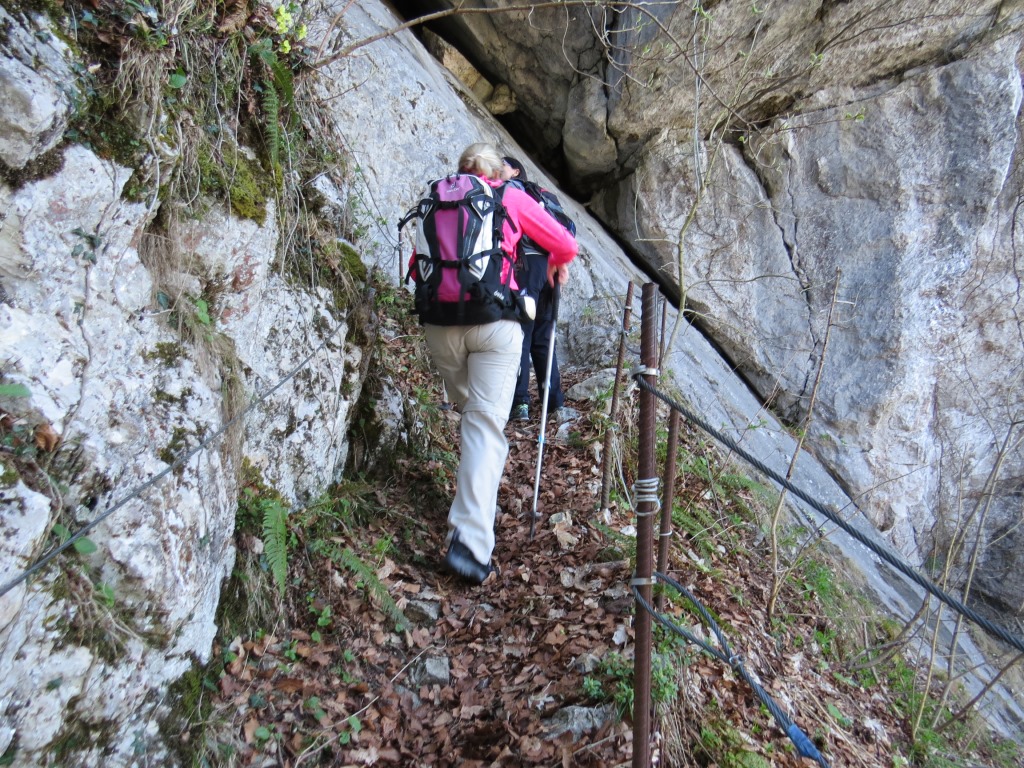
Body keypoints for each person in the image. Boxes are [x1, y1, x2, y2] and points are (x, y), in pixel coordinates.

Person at [414, 143, 578, 584]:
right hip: (493, 326)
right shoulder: (508, 195)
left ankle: (472, 504)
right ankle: (469, 543)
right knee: (485, 428)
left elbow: (418, 266)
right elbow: (564, 242)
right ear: (496, 172)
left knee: (474, 421)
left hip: (439, 328)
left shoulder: (439, 200)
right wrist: (557, 265)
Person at [501, 156, 578, 424]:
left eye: (503, 164)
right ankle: (553, 402)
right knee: (545, 335)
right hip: (550, 265)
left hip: (527, 265)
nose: (498, 168)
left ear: (516, 170)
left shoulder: (512, 191)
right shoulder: (543, 195)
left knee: (521, 332)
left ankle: (520, 402)